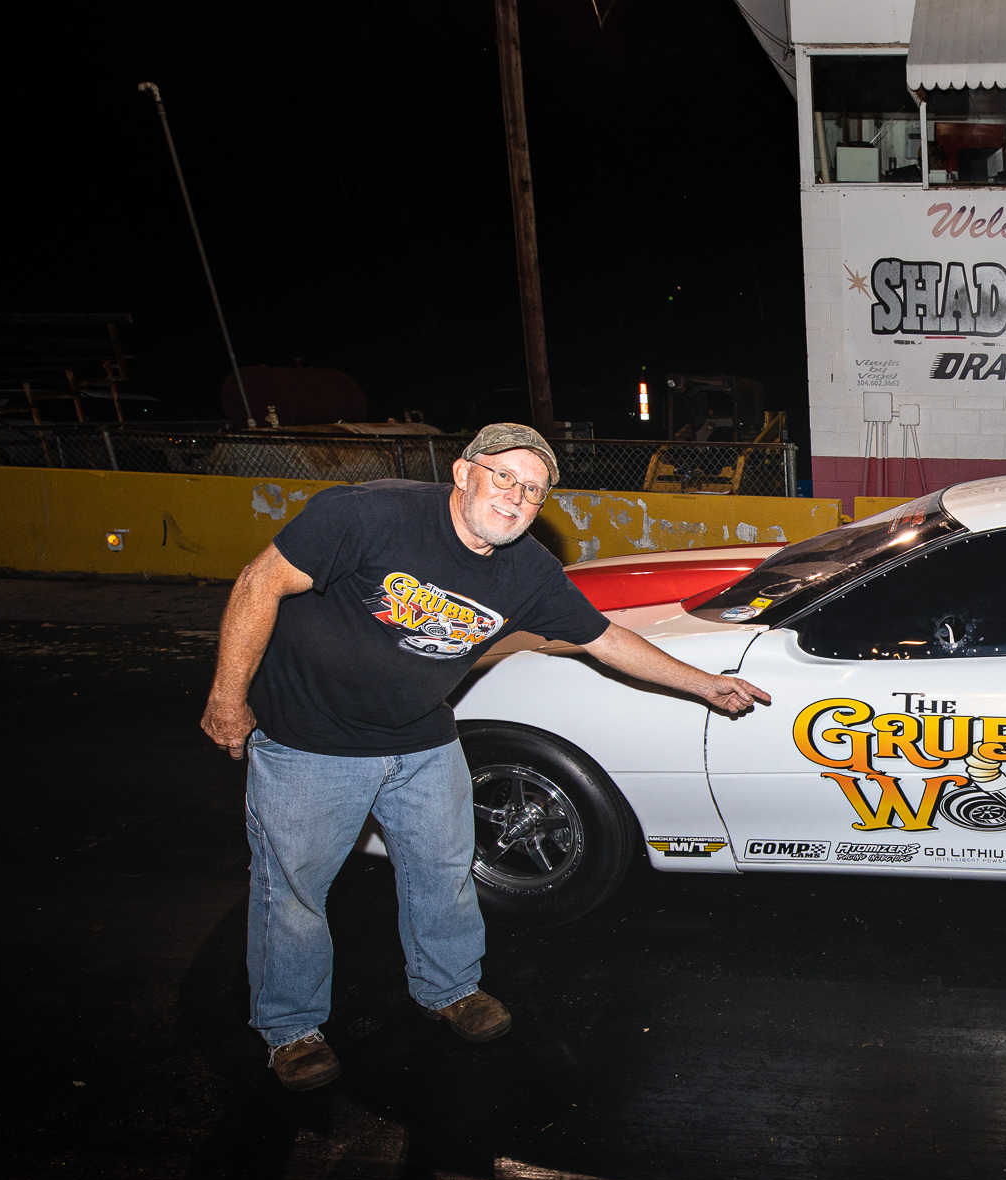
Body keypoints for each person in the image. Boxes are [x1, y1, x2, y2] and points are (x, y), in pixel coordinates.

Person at [200, 423, 773, 1091]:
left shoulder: (527, 570)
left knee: (443, 871)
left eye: (533, 490)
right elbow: (259, 583)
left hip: (422, 739)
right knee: (294, 891)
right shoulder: (366, 514)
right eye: (505, 476)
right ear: (463, 471)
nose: (516, 496)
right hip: (312, 741)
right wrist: (228, 697)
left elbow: (605, 638)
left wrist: (704, 684)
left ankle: (449, 988)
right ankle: (290, 1028)